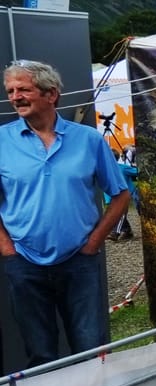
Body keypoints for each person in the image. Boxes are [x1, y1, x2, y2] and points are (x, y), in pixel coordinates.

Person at [0, 59, 131, 369]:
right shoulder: (1, 141)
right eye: (11, 91)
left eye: (24, 90)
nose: (15, 97)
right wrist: (7, 249)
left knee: (90, 349)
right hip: (24, 263)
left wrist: (94, 242)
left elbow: (121, 195)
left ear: (51, 94)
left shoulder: (88, 139)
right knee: (40, 355)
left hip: (79, 262)